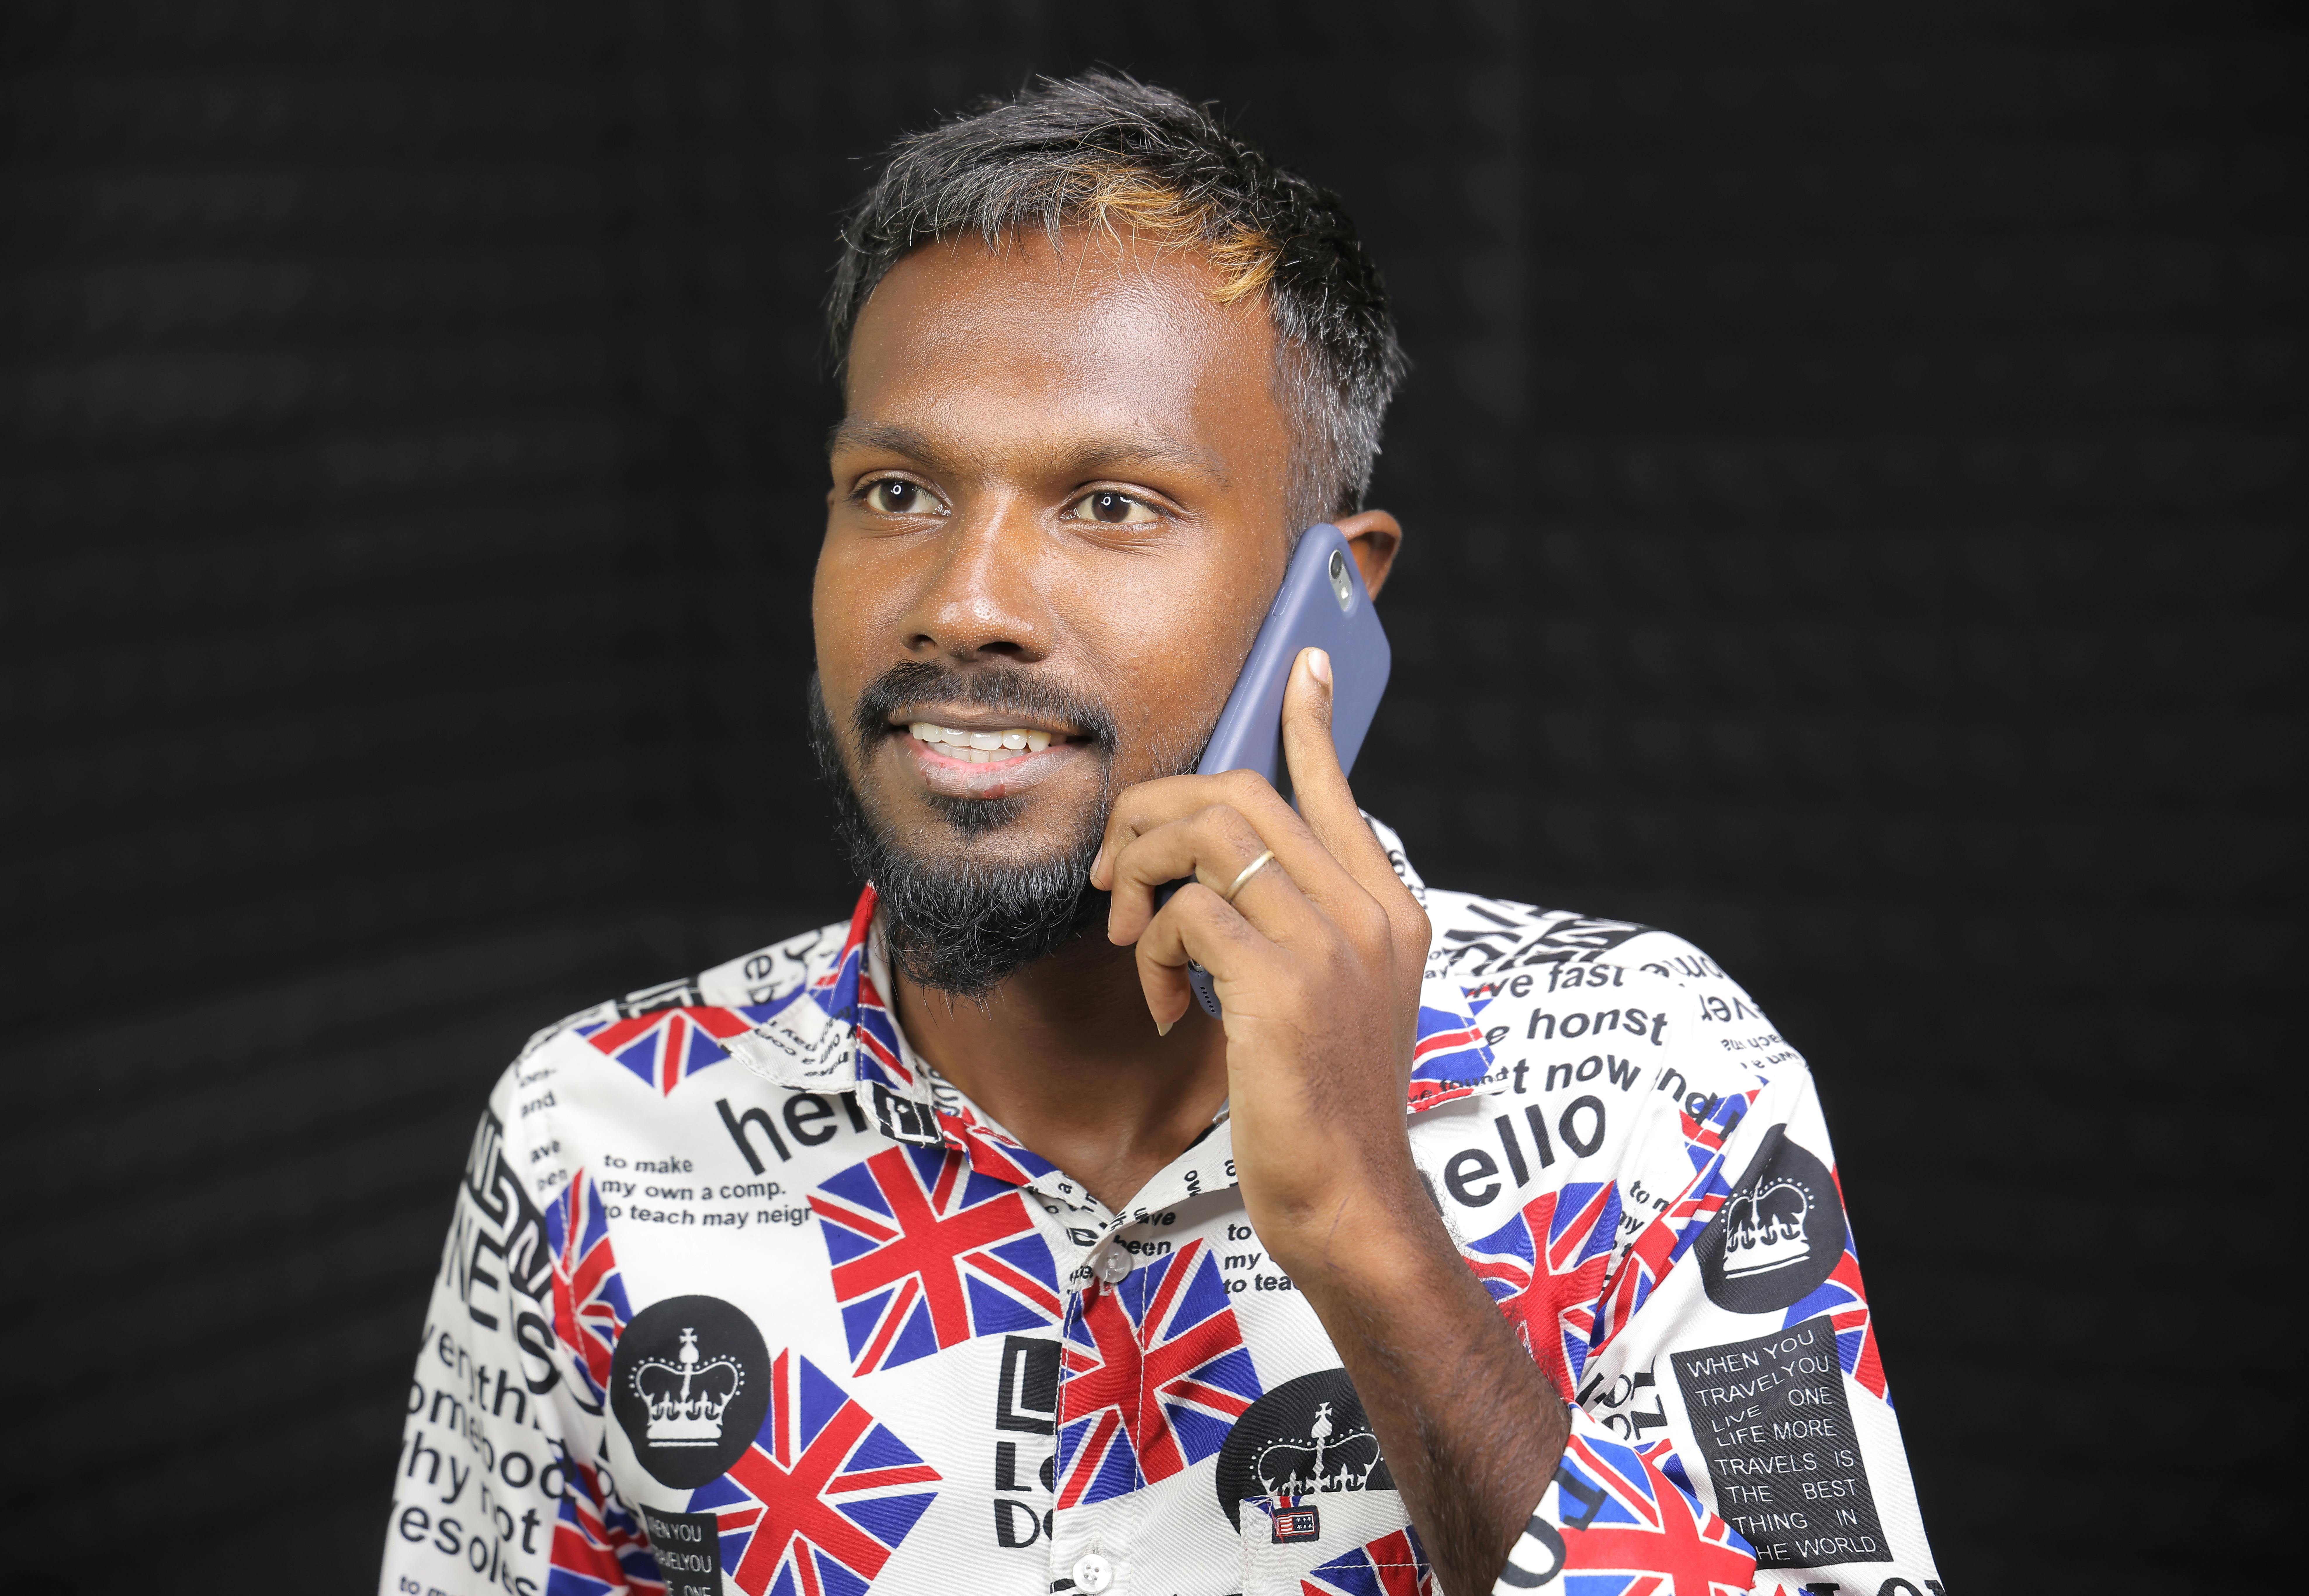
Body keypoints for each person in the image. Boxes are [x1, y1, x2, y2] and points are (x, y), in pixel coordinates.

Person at [381, 73, 1939, 1596]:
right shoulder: (593, 1140)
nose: (961, 601)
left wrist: (1371, 1232)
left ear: (1329, 598)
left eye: (1112, 503)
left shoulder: (1653, 1082)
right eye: (898, 488)